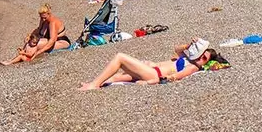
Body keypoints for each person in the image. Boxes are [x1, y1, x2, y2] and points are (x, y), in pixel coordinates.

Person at [77, 39, 221, 90]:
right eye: (202, 55)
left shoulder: (193, 67)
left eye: (204, 58)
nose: (201, 58)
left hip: (153, 74)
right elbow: (176, 50)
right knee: (115, 78)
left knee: (120, 57)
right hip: (150, 70)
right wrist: (189, 45)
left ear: (205, 63)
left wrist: (151, 82)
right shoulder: (189, 58)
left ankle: (94, 85)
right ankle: (93, 83)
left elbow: (176, 77)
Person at [1, 4, 66, 64]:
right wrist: (29, 36)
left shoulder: (53, 23)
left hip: (60, 42)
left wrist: (39, 52)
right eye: (41, 17)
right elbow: (38, 30)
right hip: (48, 40)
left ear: (49, 14)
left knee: (36, 43)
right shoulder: (43, 19)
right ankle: (20, 56)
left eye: (44, 17)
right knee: (31, 40)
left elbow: (52, 40)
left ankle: (26, 57)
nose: (43, 19)